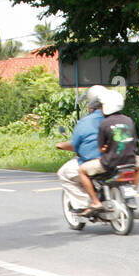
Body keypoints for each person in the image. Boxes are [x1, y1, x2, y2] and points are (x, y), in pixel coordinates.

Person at [78, 89, 139, 211]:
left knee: (82, 171)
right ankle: (133, 190)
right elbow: (133, 140)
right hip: (131, 161)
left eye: (102, 106)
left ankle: (96, 202)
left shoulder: (104, 123)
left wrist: (105, 149)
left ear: (106, 107)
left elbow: (101, 149)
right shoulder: (128, 120)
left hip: (111, 162)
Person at [55, 84, 108, 216]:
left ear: (91, 105)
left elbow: (75, 144)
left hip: (95, 161)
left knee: (64, 173)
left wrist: (61, 145)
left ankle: (85, 204)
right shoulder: (117, 117)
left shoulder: (85, 122)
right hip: (118, 158)